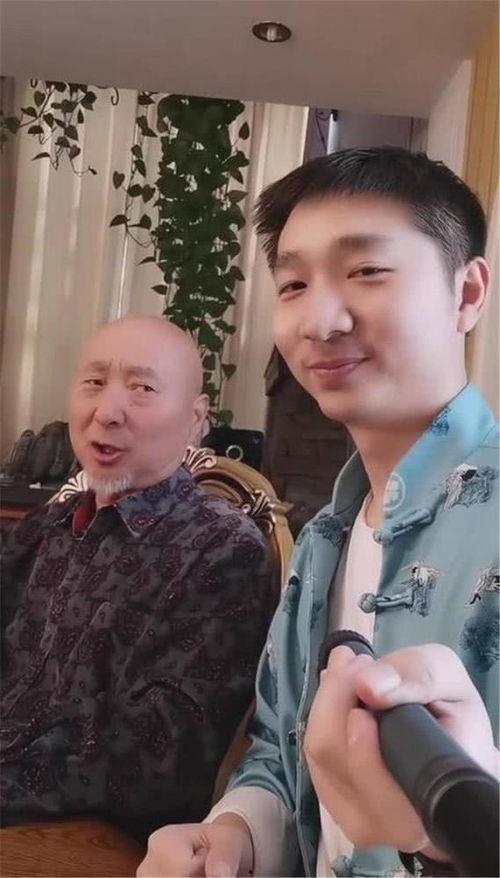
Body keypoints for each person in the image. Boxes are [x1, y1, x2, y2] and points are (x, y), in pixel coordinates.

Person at [137, 147, 499, 877]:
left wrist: (460, 831)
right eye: (295, 284)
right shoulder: (324, 539)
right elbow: (280, 751)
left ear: (467, 293)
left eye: (367, 271)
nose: (320, 320)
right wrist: (235, 835)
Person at [1, 315, 274, 841]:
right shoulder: (46, 526)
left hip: (87, 836)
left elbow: (161, 759)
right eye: (94, 382)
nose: (107, 412)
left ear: (196, 419)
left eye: (142, 388)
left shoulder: (221, 549)